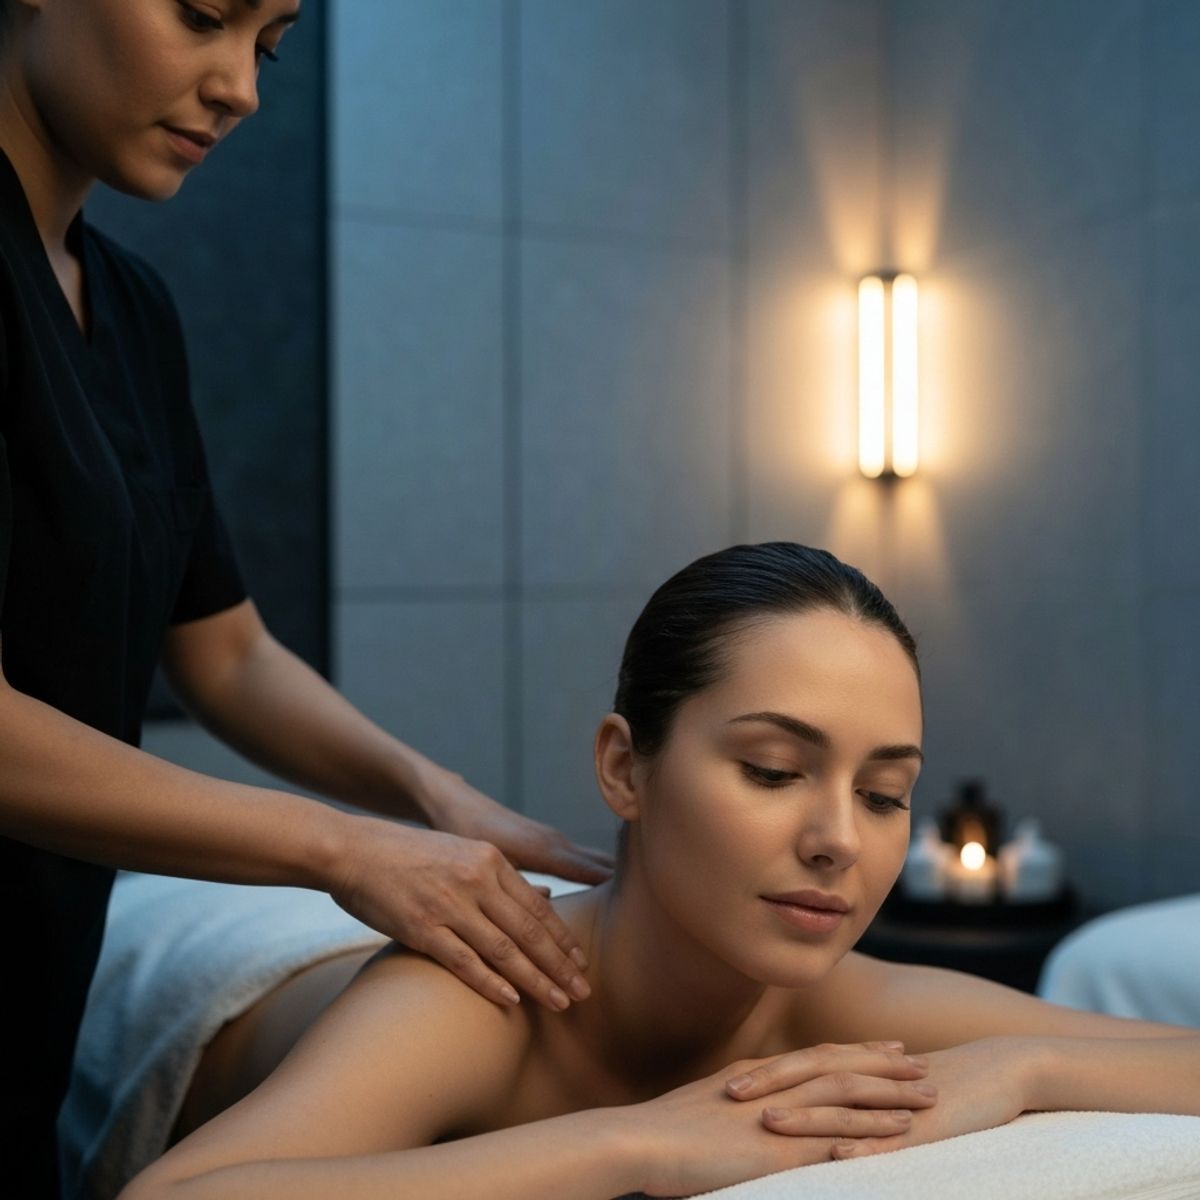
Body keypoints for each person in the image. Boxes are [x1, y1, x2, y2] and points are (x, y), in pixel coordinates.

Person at [0, 2, 610, 1193]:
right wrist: (343, 848)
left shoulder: (132, 312)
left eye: (270, 44)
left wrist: (438, 800)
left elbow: (224, 653)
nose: (242, 89)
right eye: (203, 17)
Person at [116, 543, 1200, 1200]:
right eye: (775, 770)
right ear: (625, 768)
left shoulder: (834, 999)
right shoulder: (473, 996)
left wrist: (1028, 1067)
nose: (839, 839)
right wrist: (638, 1143)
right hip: (196, 954)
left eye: (882, 794)